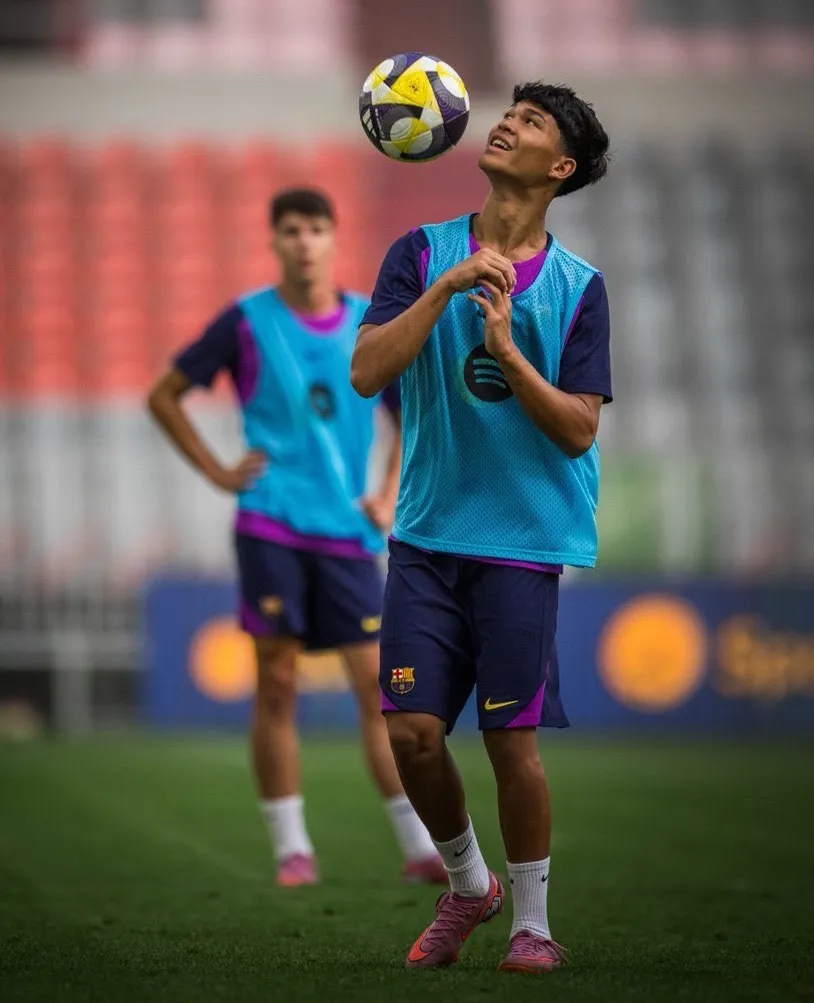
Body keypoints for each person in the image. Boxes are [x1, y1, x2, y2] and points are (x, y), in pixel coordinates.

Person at [351, 83, 612, 972]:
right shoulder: (421, 252)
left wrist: (506, 350)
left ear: (561, 167)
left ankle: (532, 925)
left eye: (531, 122)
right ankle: (470, 886)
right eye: (511, 113)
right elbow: (366, 371)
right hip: (426, 536)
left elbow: (578, 427)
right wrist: (447, 288)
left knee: (510, 741)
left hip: (523, 544)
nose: (506, 123)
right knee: (412, 734)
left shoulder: (579, 289)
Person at [147, 188, 445, 888]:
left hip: (347, 532)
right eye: (291, 230)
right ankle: (292, 849)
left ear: (333, 239)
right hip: (271, 522)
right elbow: (164, 395)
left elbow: (411, 413)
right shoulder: (246, 322)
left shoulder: (369, 324)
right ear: (275, 241)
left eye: (315, 229)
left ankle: (418, 847)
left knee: (376, 687)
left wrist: (389, 490)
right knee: (277, 682)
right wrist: (218, 471)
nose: (304, 241)